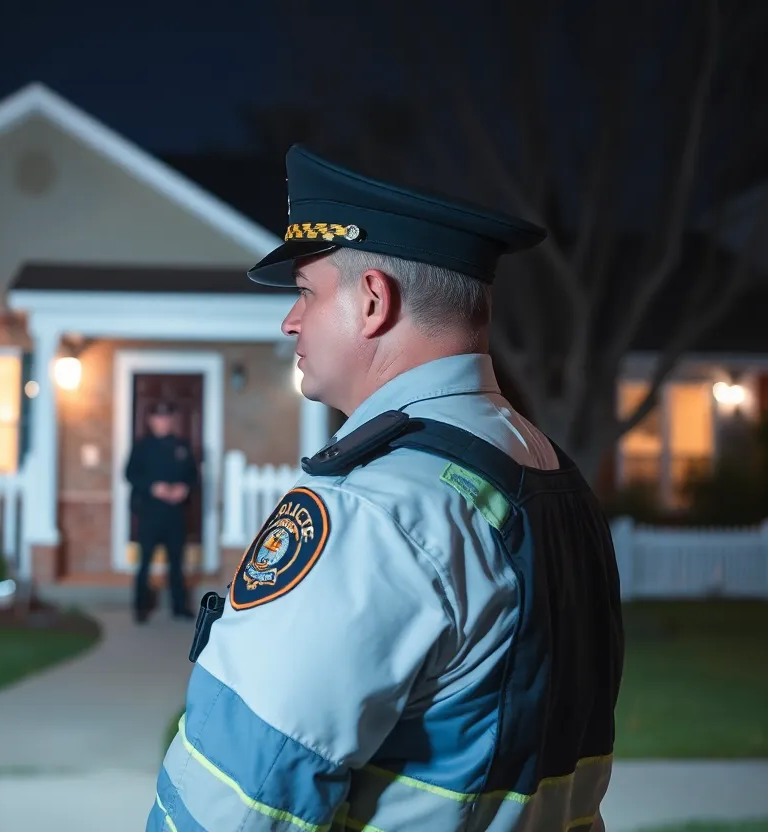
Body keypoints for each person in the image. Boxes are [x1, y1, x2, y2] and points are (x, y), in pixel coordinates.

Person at [148, 146, 625, 830]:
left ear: (373, 301)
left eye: (307, 292)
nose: (290, 320)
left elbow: (239, 800)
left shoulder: (373, 512)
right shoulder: (552, 477)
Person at [125, 400, 199, 623]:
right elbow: (130, 474)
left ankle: (179, 606)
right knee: (145, 560)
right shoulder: (142, 447)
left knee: (176, 561)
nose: (163, 422)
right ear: (151, 421)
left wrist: (184, 489)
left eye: (167, 418)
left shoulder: (182, 446)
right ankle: (141, 607)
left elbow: (193, 476)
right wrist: (153, 487)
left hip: (175, 513)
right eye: (159, 418)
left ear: (172, 420)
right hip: (150, 512)